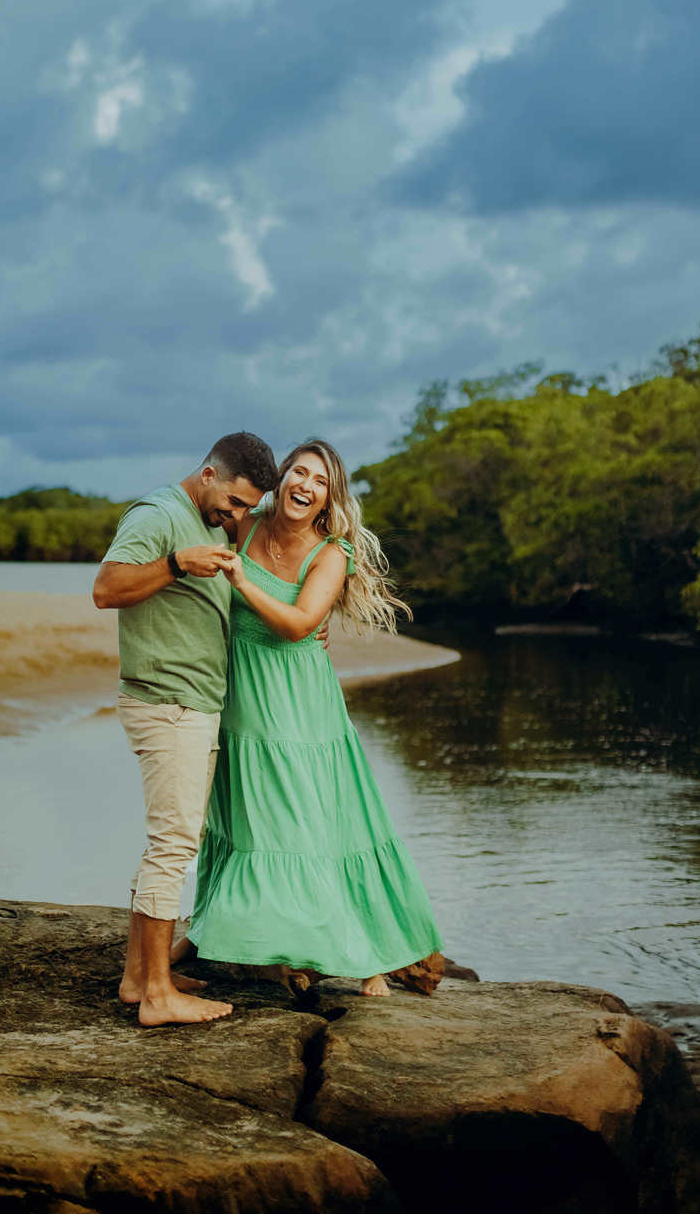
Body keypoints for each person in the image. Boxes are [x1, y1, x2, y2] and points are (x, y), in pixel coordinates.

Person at [186, 437, 442, 994]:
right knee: (244, 818)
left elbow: (301, 624)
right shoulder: (244, 524)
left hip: (299, 701)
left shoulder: (332, 553)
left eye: (320, 481)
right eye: (299, 473)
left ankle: (364, 955)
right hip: (242, 692)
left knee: (312, 819)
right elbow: (195, 516)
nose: (306, 486)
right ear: (281, 480)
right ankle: (212, 929)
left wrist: (242, 582)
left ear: (329, 497)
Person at [92, 431, 278, 1026]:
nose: (240, 516)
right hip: (167, 703)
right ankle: (157, 996)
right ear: (208, 474)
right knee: (172, 847)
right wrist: (176, 564)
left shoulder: (211, 521)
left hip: (194, 704)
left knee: (170, 842)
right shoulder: (158, 514)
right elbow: (105, 590)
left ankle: (139, 978)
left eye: (249, 507)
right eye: (236, 502)